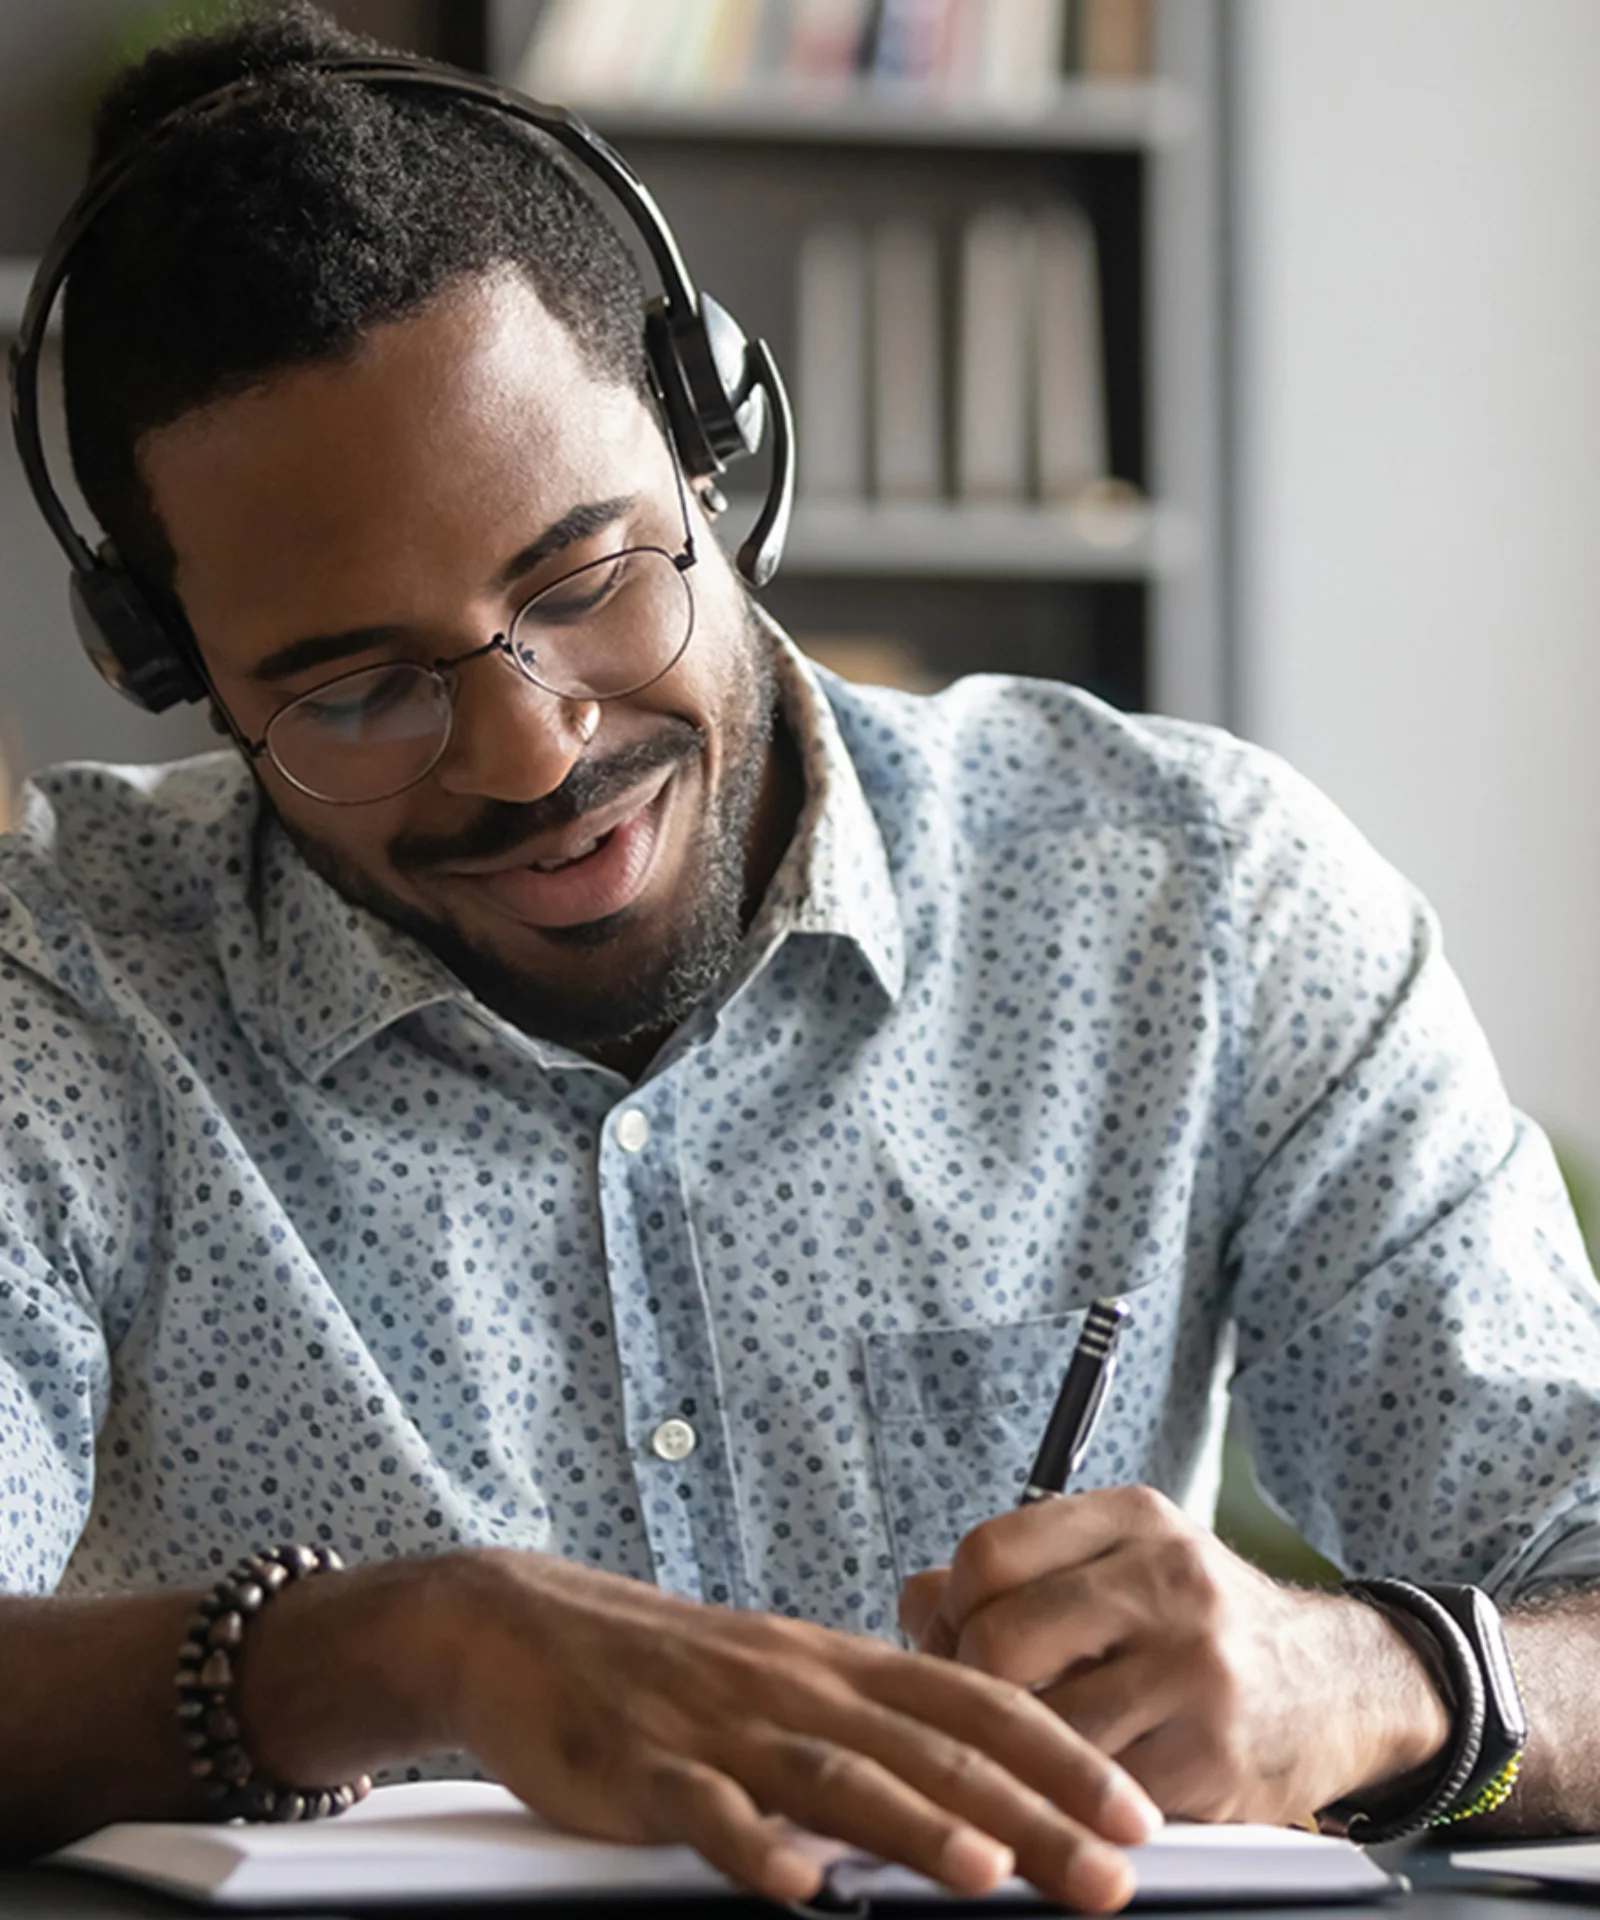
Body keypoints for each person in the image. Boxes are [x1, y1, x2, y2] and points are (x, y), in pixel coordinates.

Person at [4, 2, 1600, 1902]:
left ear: (721, 454)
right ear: (174, 672)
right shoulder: (64, 988)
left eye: (584, 582)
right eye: (353, 693)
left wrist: (1378, 1678)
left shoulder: (1200, 899)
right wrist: (396, 1645)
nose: (534, 755)